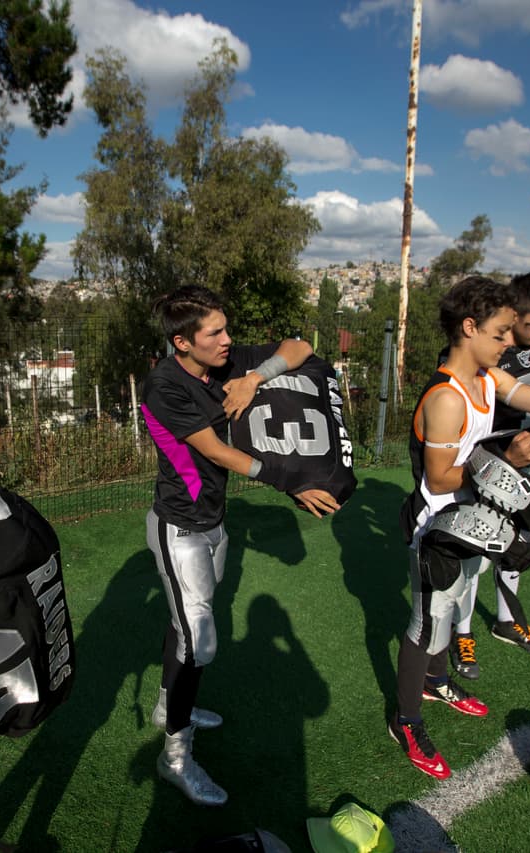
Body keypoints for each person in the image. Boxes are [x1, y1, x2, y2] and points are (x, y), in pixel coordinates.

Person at [141, 285, 340, 806]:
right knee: (199, 642)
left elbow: (298, 347)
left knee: (185, 627)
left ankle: (170, 704)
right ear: (183, 343)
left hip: (214, 523)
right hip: (178, 529)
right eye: (216, 333)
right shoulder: (164, 385)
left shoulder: (225, 363)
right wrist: (290, 480)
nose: (228, 339)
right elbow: (217, 453)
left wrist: (256, 377)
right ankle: (174, 758)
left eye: (227, 328)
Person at [390, 276, 530, 780]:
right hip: (437, 531)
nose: (510, 342)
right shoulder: (445, 397)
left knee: (454, 606)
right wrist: (504, 459)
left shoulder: (489, 380)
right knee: (426, 623)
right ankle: (406, 720)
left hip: (474, 520)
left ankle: (437, 682)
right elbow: (441, 476)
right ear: (469, 328)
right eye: (500, 332)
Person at [448, 272, 530, 679]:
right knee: (473, 550)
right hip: (485, 461)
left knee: (519, 540)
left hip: (529, 455)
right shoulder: (479, 353)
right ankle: (461, 632)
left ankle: (507, 619)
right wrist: (503, 459)